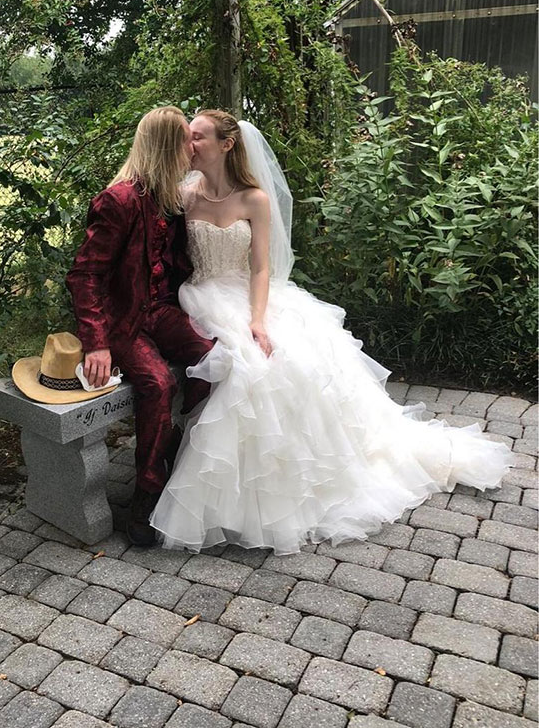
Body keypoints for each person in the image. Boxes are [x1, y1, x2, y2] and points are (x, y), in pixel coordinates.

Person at [149, 109, 514, 555]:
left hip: (247, 297)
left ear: (226, 145)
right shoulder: (184, 195)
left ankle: (295, 482)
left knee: (291, 362)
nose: (189, 146)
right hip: (200, 296)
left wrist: (258, 319)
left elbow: (262, 266)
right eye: (188, 138)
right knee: (243, 370)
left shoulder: (253, 199)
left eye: (198, 138)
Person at [66, 106, 214, 546]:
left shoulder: (170, 198)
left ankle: (177, 454)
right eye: (187, 139)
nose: (193, 147)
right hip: (123, 323)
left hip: (162, 311)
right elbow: (85, 275)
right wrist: (96, 344)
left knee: (213, 357)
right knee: (157, 383)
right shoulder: (119, 199)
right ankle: (147, 492)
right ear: (168, 145)